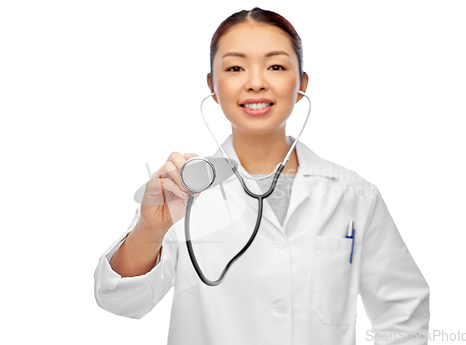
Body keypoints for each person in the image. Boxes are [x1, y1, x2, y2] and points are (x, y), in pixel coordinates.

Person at [94, 7, 430, 345]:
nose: (256, 82)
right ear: (212, 85)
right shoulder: (183, 190)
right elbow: (121, 300)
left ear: (301, 84)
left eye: (276, 66)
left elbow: (403, 312)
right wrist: (150, 230)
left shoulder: (353, 193)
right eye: (236, 67)